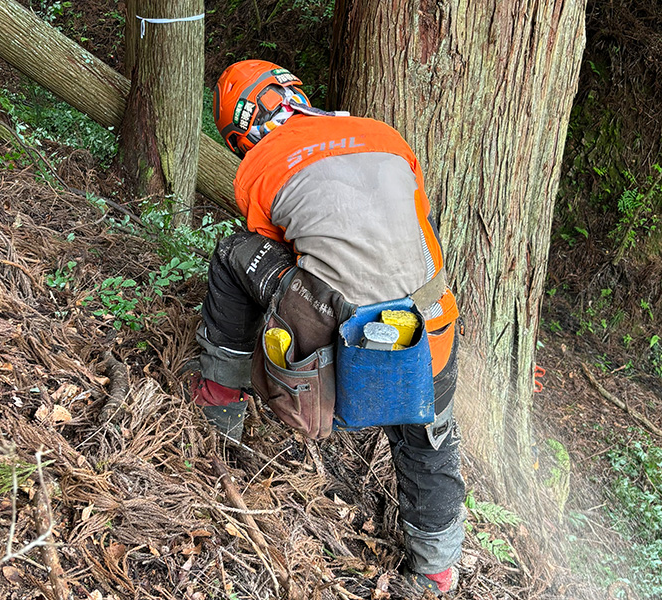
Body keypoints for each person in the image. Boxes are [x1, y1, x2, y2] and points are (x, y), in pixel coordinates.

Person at [189, 59, 465, 595]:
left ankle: (220, 397)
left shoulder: (260, 163)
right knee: (429, 438)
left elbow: (278, 255)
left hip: (332, 357)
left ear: (242, 127)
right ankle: (436, 570)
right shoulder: (384, 136)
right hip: (429, 335)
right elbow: (415, 227)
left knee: (232, 254)